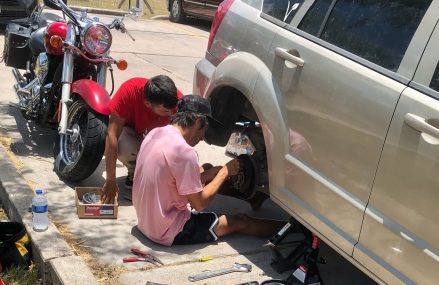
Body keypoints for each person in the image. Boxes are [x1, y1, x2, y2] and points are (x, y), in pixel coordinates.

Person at [132, 95, 285, 246]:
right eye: (204, 129)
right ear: (198, 121)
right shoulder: (184, 152)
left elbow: (170, 177)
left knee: (207, 169)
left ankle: (254, 198)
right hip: (168, 230)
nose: (203, 137)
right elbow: (199, 204)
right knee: (241, 221)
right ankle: (289, 229)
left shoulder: (155, 133)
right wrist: (224, 172)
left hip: (145, 221)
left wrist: (211, 174)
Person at [101, 75, 183, 204]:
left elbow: (183, 144)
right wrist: (111, 180)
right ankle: (134, 173)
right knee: (124, 145)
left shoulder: (179, 101)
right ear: (147, 104)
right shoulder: (129, 91)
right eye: (166, 111)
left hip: (159, 140)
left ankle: (153, 177)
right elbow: (112, 135)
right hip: (132, 134)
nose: (172, 114)